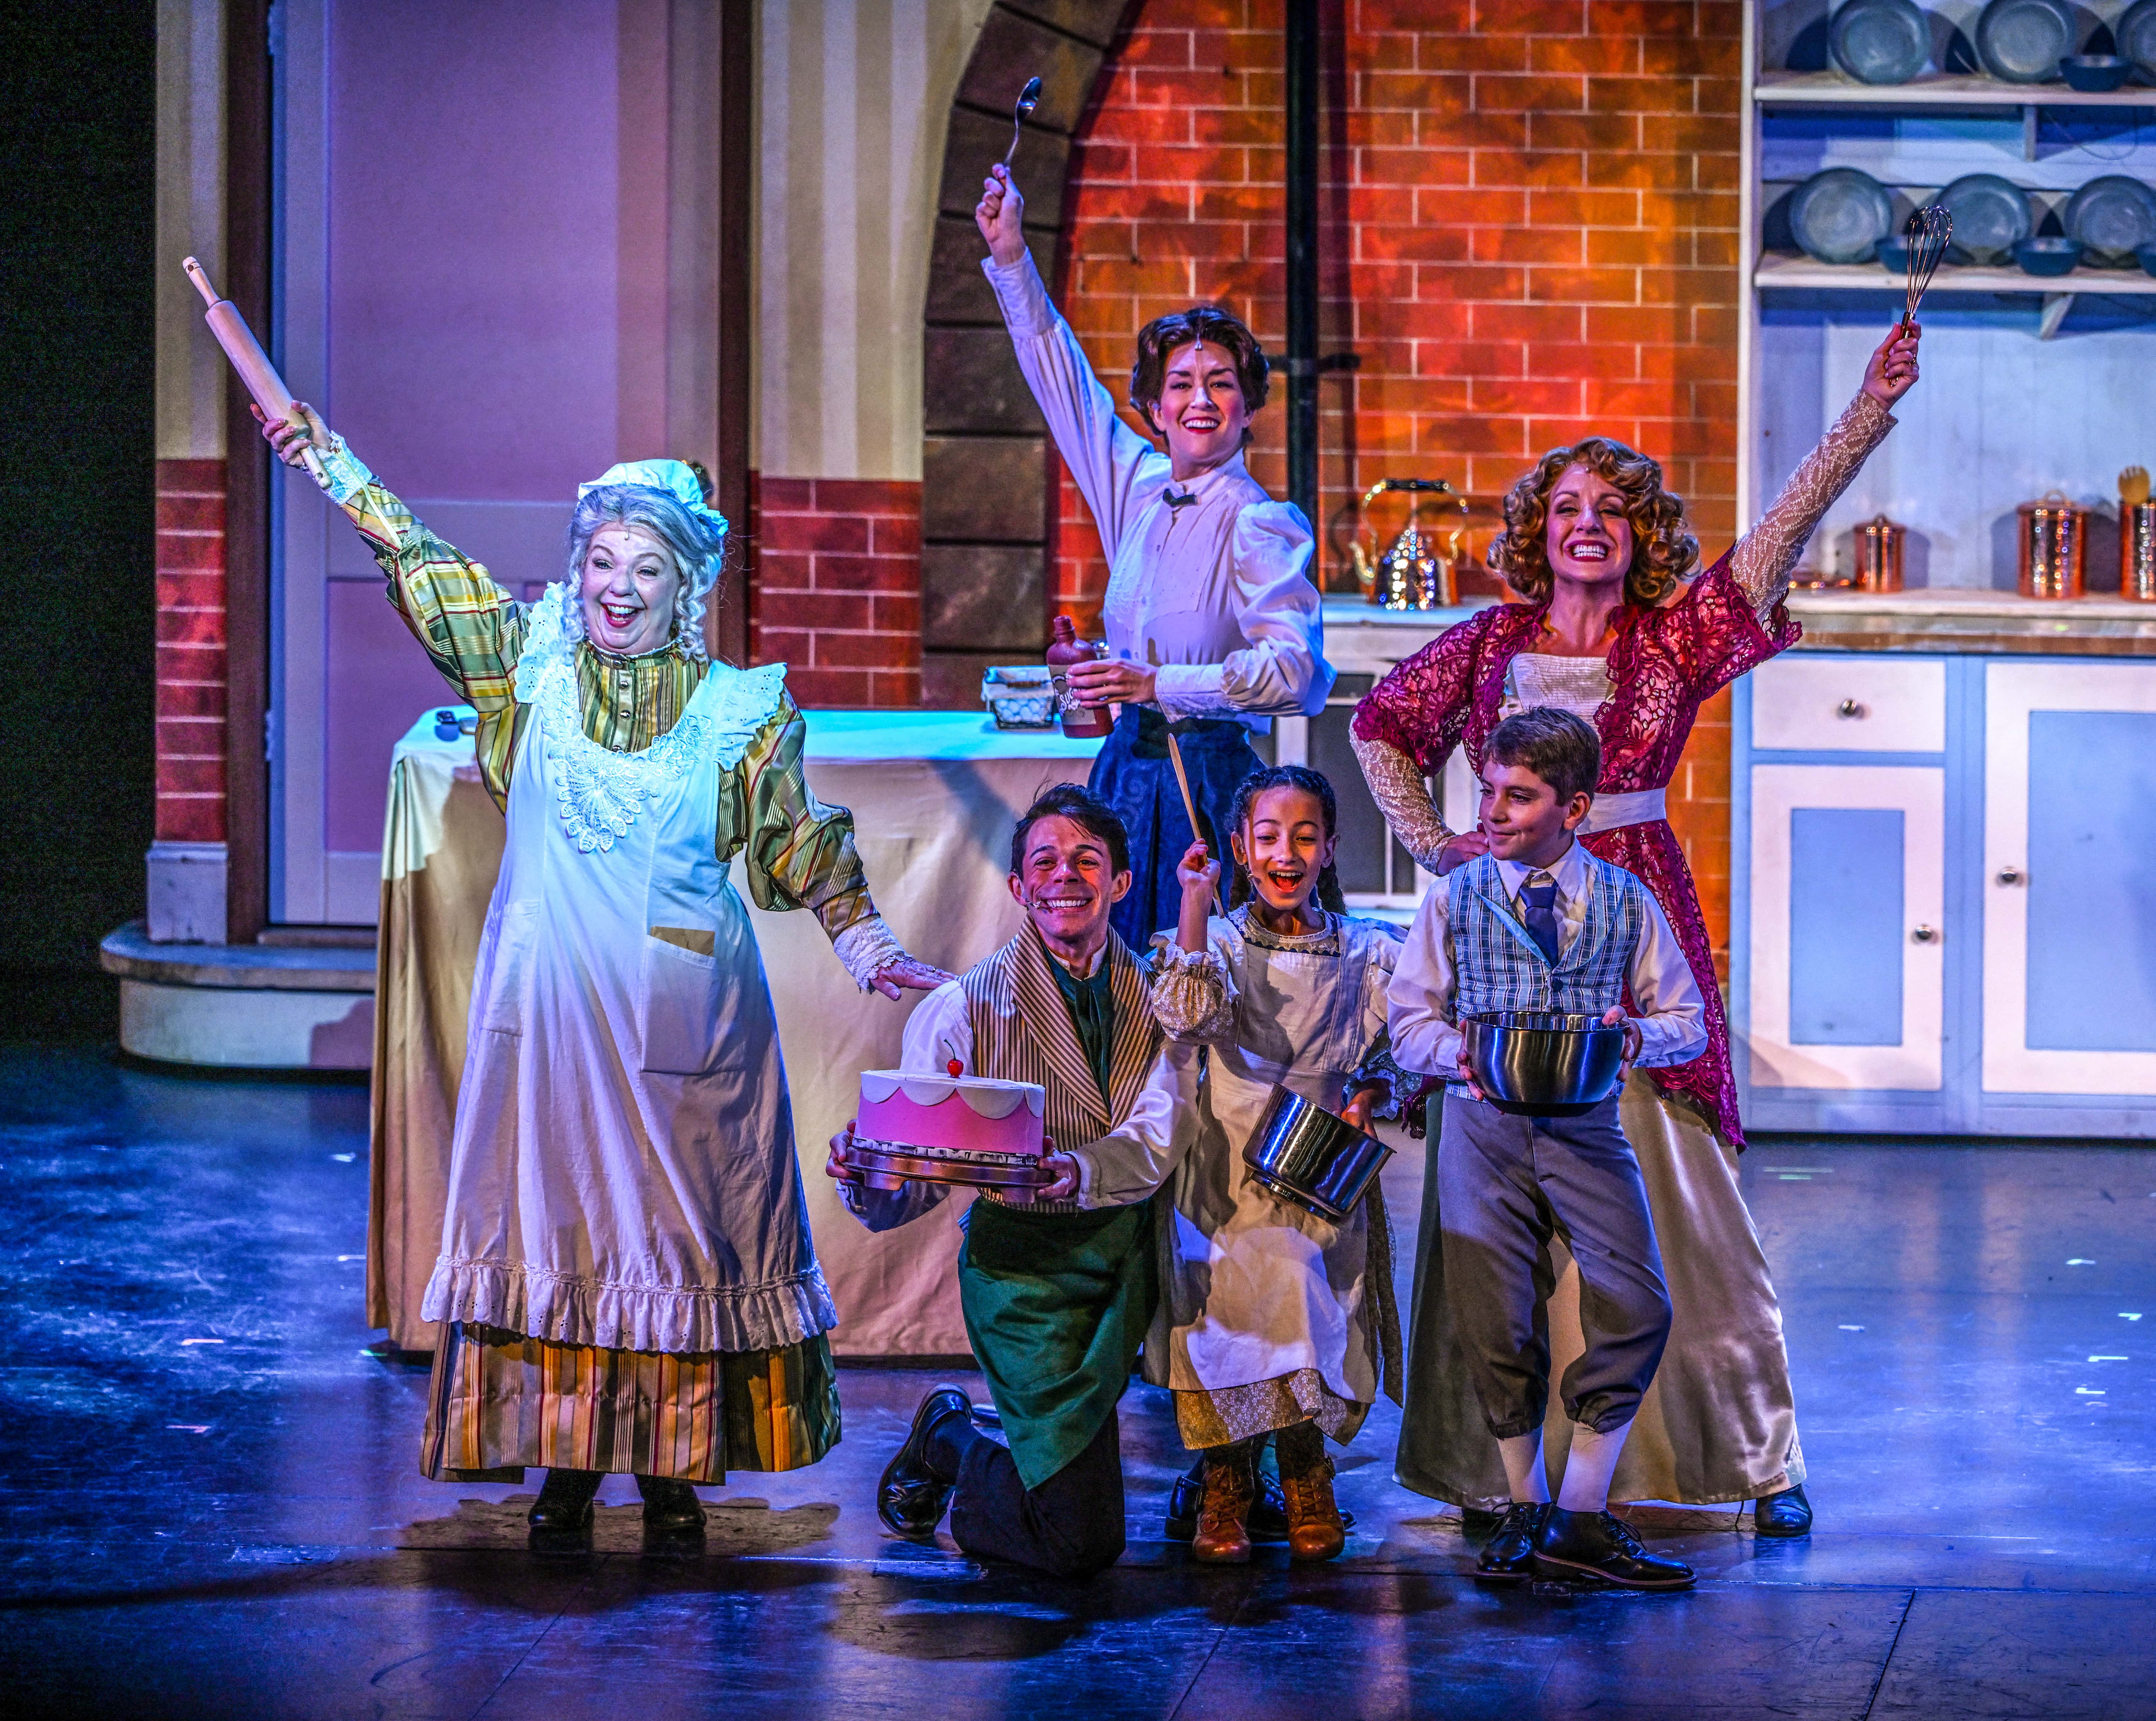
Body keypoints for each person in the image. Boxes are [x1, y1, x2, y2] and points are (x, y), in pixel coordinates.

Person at [257, 403, 947, 1540]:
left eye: (646, 568)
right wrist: (327, 464)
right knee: (556, 1235)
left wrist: (867, 944)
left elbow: (797, 843)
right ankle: (565, 1468)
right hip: (551, 1025)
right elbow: (420, 559)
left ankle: (673, 1472)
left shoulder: (740, 712)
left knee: (678, 1243)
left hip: (686, 1028)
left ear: (688, 588)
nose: (616, 587)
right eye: (599, 561)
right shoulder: (527, 672)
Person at [1353, 320, 1925, 1536]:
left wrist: (1868, 411)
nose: (1587, 522)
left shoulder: (1672, 636)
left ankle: (1742, 1454)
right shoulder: (1490, 644)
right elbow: (1376, 728)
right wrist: (1442, 850)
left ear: (1638, 531)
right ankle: (1498, 1474)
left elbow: (1776, 536)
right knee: (1498, 1190)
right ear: (1538, 526)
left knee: (1677, 1189)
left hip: (1635, 906)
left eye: (1612, 506)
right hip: (1507, 930)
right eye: (1566, 503)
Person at [827, 785, 1191, 1580]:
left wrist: (1082, 1169)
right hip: (1021, 1278)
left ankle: (958, 1436)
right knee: (1079, 1543)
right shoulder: (966, 1006)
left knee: (1077, 1532)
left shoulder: (1164, 1003)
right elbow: (919, 1175)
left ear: (1121, 883)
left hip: (1117, 1267)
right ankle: (950, 1439)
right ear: (1020, 889)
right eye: (1046, 862)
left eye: (1087, 859)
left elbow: (1163, 1129)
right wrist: (873, 1168)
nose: (1067, 875)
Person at [975, 161, 1335, 952]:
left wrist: (1159, 681)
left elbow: (1299, 675)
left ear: (1247, 409)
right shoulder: (1137, 488)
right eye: (1179, 385)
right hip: (1124, 774)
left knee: (1196, 979)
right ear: (1154, 406)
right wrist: (1010, 257)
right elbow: (1060, 377)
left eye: (1220, 384)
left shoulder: (1258, 521)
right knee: (1111, 973)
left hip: (1204, 785)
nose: (1199, 400)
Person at [1390, 709, 1705, 1589]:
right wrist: (1460, 1052)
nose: (1493, 811)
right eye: (1488, 790)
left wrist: (1635, 1036)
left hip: (1585, 1124)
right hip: (1481, 1125)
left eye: (1518, 796)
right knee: (1497, 1321)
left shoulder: (1623, 899)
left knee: (1636, 1303)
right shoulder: (1453, 897)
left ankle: (1581, 1510)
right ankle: (1526, 1504)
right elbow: (1407, 1018)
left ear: (1575, 806)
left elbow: (1684, 1018)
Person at [1149, 765, 1405, 1565]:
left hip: (1320, 1165)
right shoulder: (1216, 945)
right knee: (1226, 1314)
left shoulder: (1366, 952)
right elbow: (1184, 1021)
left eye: (1304, 836)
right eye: (1267, 837)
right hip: (1225, 1165)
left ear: (1329, 848)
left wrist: (1370, 1087)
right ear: (1239, 847)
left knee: (1312, 1304)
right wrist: (1194, 904)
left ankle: (1305, 1471)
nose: (1285, 853)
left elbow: (1399, 1044)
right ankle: (1226, 1476)